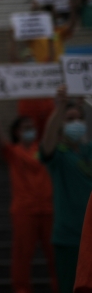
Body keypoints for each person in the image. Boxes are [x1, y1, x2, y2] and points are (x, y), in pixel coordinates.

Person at [0, 100, 57, 292]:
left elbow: (54, 131)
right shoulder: (13, 152)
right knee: (21, 257)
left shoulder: (43, 149)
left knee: (54, 257)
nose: (31, 130)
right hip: (24, 211)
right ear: (17, 132)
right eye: (26, 128)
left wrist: (61, 106)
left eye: (32, 127)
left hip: (47, 209)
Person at [40, 84, 92, 292]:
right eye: (69, 120)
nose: (75, 123)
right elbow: (47, 144)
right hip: (69, 237)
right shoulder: (59, 155)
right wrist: (60, 107)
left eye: (78, 118)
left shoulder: (89, 150)